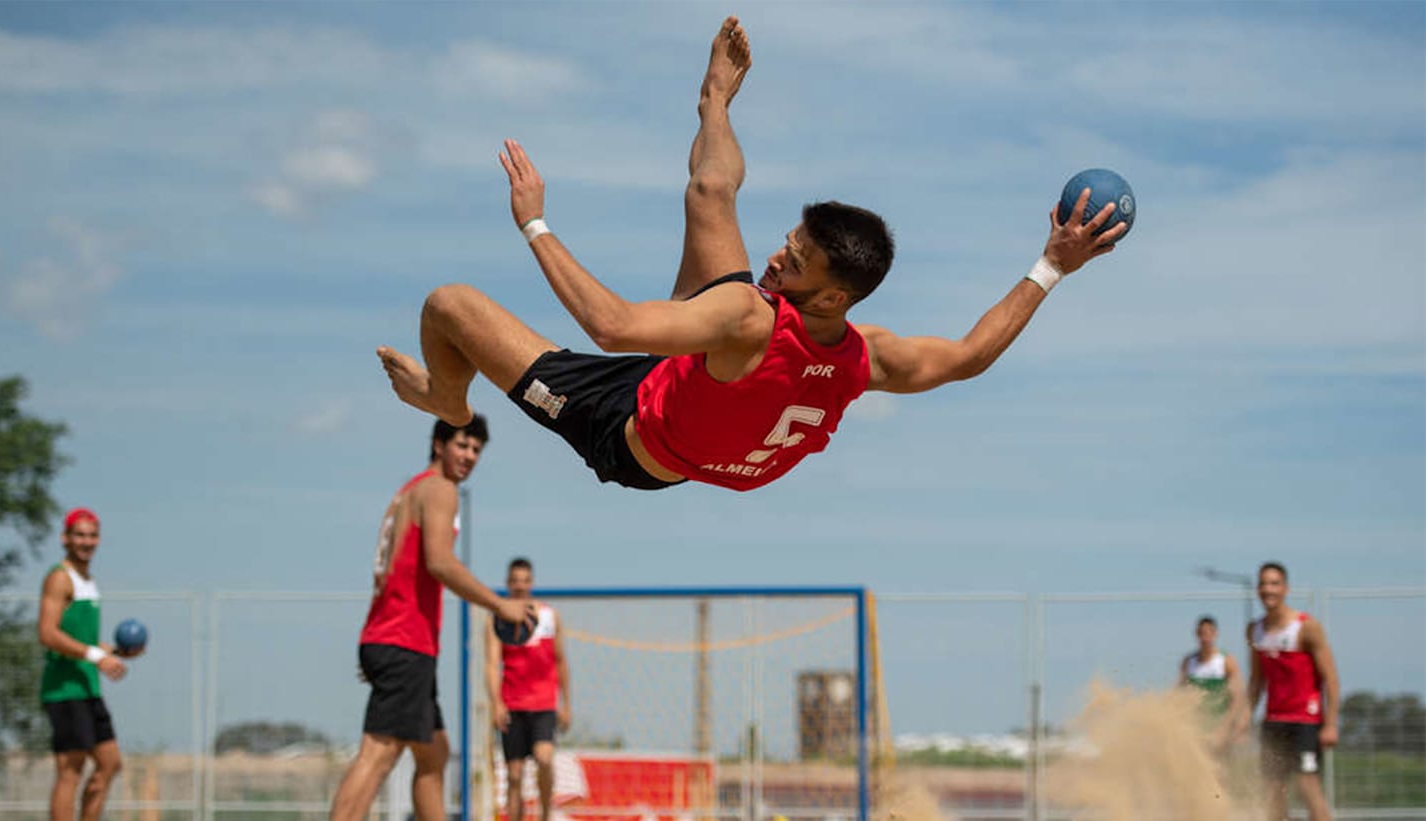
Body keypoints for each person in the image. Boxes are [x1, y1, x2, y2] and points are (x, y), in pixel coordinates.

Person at [377, 15, 1125, 492]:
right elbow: (968, 356)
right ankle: (714, 102)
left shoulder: (745, 316)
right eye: (787, 243)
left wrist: (535, 223)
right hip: (695, 374)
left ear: (832, 296)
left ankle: (448, 401)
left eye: (794, 263)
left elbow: (610, 327)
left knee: (449, 306)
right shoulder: (863, 355)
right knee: (711, 194)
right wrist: (1052, 266)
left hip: (632, 435)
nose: (774, 260)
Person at [331, 417, 537, 821]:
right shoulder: (440, 489)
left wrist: (377, 642)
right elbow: (440, 562)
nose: (470, 456)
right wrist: (500, 605)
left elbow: (391, 572)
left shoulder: (408, 492)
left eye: (476, 450)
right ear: (439, 444)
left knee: (434, 752)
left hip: (393, 638)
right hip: (403, 640)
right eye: (462, 445)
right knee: (379, 753)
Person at [37, 507, 142, 821]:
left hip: (88, 688)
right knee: (70, 770)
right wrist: (96, 656)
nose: (87, 541)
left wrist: (116, 652)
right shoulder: (60, 578)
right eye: (80, 535)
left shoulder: (88, 581)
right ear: (65, 538)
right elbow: (47, 633)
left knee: (110, 764)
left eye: (92, 535)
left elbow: (83, 640)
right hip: (64, 689)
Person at [1247, 562, 1340, 821]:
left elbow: (1331, 679)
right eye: (1263, 583)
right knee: (1273, 791)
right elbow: (1256, 681)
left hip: (1305, 721)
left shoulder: (1306, 627)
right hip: (1274, 720)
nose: (1268, 589)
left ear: (1285, 588)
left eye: (1274, 583)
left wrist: (1330, 724)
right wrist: (1243, 718)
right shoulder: (1255, 630)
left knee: (1306, 785)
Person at [485, 557, 570, 821]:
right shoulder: (497, 621)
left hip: (543, 704)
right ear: (508, 583)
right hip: (512, 704)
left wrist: (567, 704)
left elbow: (561, 661)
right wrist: (496, 703)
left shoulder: (549, 616)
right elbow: (492, 664)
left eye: (525, 581)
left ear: (531, 583)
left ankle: (545, 814)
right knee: (514, 774)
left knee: (544, 758)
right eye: (515, 581)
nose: (520, 586)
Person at [1177, 614, 1245, 751]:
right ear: (1197, 634)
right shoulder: (1189, 662)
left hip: (1220, 725)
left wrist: (1228, 727)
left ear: (1215, 634)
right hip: (1196, 726)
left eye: (1209, 632)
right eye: (1202, 633)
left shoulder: (1226, 661)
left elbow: (1237, 697)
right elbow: (1179, 692)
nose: (1205, 637)